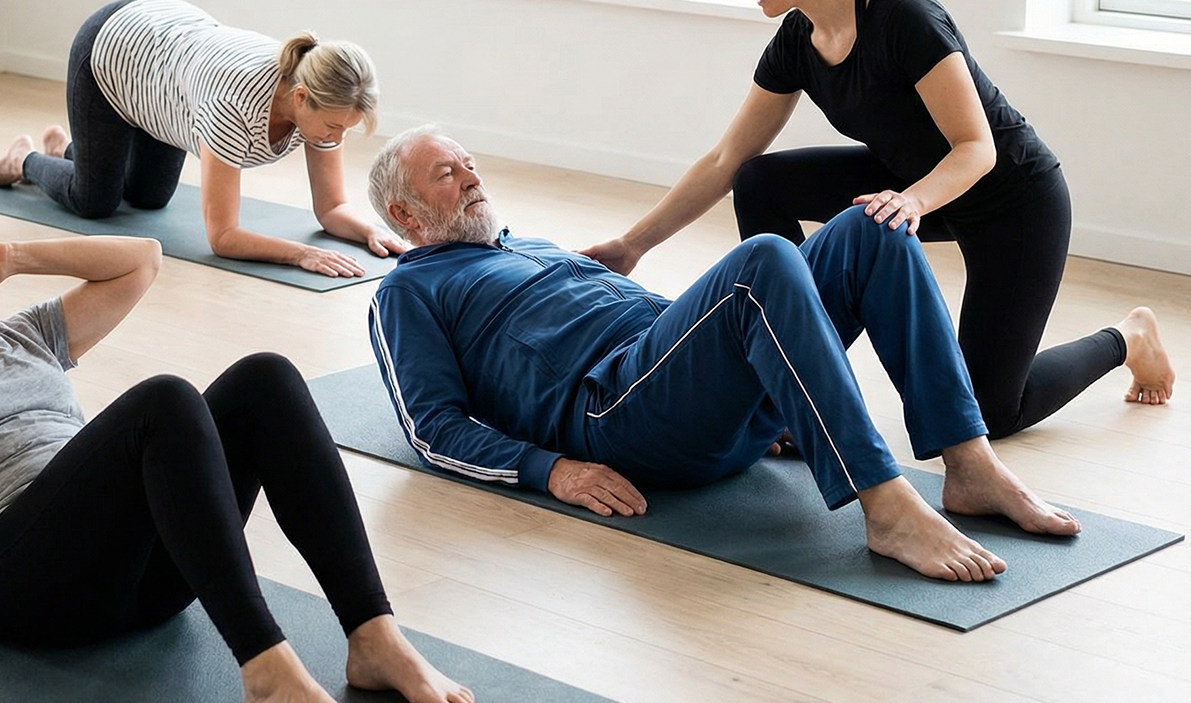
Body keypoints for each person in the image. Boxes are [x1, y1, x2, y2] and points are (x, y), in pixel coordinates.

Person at [0, 189, 472, 703]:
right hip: (14, 590)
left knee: (267, 379)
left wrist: (14, 256)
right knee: (162, 402)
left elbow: (141, 259)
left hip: (137, 582)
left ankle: (372, 636)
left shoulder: (24, 336)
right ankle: (265, 667)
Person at [582, 0, 1174, 437]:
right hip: (906, 186)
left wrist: (911, 199)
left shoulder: (904, 19)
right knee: (760, 179)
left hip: (1010, 199)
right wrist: (632, 245)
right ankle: (793, 365)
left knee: (991, 412)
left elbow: (977, 148)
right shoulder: (797, 39)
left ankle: (1129, 337)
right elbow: (726, 159)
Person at [366, 128, 1083, 582]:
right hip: (617, 413)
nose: (471, 176)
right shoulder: (409, 292)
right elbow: (431, 426)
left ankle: (968, 463)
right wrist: (549, 469)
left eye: (468, 163)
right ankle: (886, 505)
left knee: (875, 220)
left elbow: (667, 323)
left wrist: (752, 375)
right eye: (446, 174)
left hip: (688, 394)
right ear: (405, 214)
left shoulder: (526, 244)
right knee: (764, 257)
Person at [0, 0, 406, 278]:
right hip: (113, 49)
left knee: (148, 198)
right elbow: (223, 238)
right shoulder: (233, 105)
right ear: (300, 97)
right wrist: (301, 254)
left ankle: (73, 149)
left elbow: (331, 207)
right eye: (334, 127)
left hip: (168, 79)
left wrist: (369, 231)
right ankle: (23, 158)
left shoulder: (323, 101)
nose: (337, 137)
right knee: (95, 201)